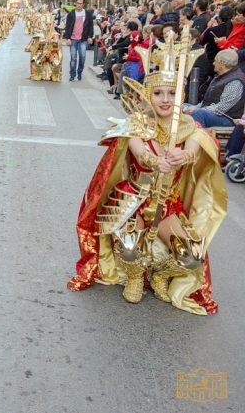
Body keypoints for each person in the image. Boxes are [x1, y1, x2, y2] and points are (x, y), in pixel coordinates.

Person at [68, 28, 225, 315]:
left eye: (172, 93)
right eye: (159, 93)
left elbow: (194, 148)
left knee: (192, 256)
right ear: (148, 94)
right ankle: (134, 275)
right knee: (129, 248)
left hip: (168, 204)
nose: (165, 99)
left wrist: (181, 155)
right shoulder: (136, 123)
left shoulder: (189, 126)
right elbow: (139, 152)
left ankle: (160, 275)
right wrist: (157, 162)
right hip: (133, 199)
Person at [183, 49, 245, 128]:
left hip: (228, 119)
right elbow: (208, 101)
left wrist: (197, 109)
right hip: (212, 112)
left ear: (222, 63)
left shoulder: (235, 81)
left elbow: (221, 108)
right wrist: (196, 107)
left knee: (198, 113)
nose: (213, 63)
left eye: (215, 61)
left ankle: (198, 139)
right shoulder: (222, 75)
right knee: (181, 106)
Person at [62, 0, 94, 81]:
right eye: (78, 3)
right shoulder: (71, 14)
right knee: (73, 58)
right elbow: (68, 27)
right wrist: (68, 38)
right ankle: (72, 75)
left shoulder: (87, 14)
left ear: (83, 4)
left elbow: (90, 26)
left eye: (81, 3)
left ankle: (80, 72)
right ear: (75, 3)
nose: (79, 5)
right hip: (73, 39)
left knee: (82, 57)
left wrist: (90, 37)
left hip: (83, 39)